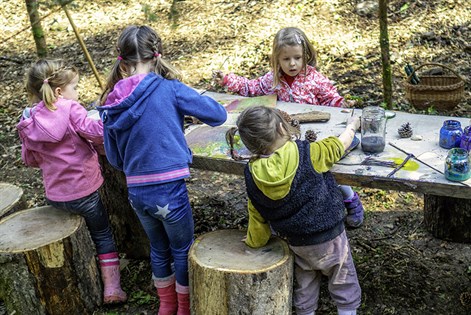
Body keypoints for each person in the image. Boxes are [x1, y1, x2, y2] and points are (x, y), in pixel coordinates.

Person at [96, 25, 227, 315]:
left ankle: (165, 305)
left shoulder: (111, 101)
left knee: (159, 248)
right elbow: (219, 115)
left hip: (138, 193)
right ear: (157, 56)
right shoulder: (170, 88)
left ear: (124, 61)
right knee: (181, 248)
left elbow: (115, 160)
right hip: (169, 190)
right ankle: (184, 307)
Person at [214, 26, 364, 228]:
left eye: (297, 57)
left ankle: (350, 200)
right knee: (297, 176)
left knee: (328, 166)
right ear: (277, 59)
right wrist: (227, 79)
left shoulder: (314, 78)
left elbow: (331, 98)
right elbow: (250, 88)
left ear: (305, 56)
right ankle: (298, 208)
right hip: (285, 138)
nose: (292, 64)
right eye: (286, 59)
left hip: (315, 135)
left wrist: (343, 105)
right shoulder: (272, 80)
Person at [226, 106, 362, 315]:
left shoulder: (251, 173)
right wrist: (352, 127)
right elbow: (339, 145)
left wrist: (255, 241)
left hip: (296, 241)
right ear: (283, 128)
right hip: (330, 236)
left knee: (305, 281)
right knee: (342, 279)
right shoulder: (308, 152)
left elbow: (256, 214)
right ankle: (347, 311)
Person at [17, 59, 127, 304]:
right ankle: (112, 289)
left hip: (55, 195)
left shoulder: (29, 120)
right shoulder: (70, 108)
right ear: (59, 91)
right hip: (85, 192)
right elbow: (95, 132)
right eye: (75, 87)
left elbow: (30, 159)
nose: (77, 93)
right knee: (103, 234)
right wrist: (108, 120)